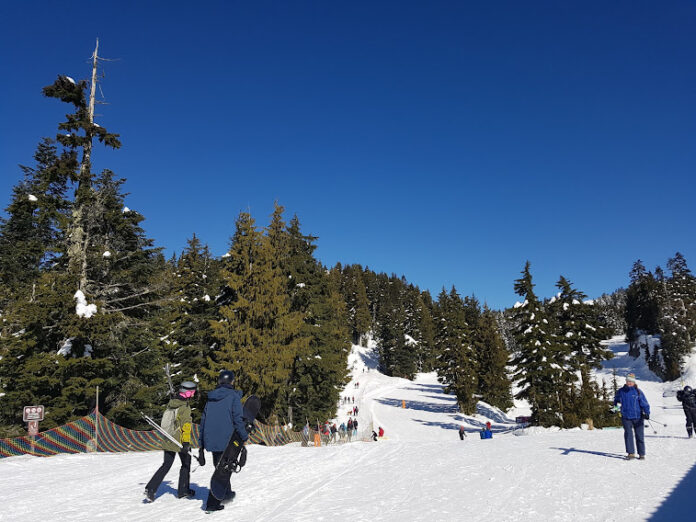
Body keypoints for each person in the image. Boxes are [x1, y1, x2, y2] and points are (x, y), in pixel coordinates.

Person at [199, 370, 249, 512]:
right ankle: (211, 504)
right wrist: (244, 436)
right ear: (231, 381)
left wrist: (201, 445)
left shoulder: (210, 399)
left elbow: (203, 422)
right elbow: (237, 419)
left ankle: (226, 493)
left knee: (220, 467)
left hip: (212, 440)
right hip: (227, 440)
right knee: (222, 471)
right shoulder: (233, 397)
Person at [144, 380, 197, 502]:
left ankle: (151, 488)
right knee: (186, 463)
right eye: (193, 392)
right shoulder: (184, 407)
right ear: (188, 393)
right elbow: (186, 426)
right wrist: (186, 443)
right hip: (178, 440)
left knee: (166, 464)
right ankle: (183, 491)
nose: (194, 394)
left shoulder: (172, 402)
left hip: (168, 437)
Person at [613, 372, 650, 460]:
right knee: (628, 435)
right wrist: (615, 409)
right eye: (628, 381)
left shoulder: (638, 392)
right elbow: (617, 402)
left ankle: (641, 454)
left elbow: (644, 403)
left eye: (631, 381)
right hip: (626, 416)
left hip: (638, 417)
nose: (629, 383)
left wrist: (647, 412)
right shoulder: (621, 392)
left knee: (639, 435)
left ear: (634, 382)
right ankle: (631, 453)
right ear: (626, 381)